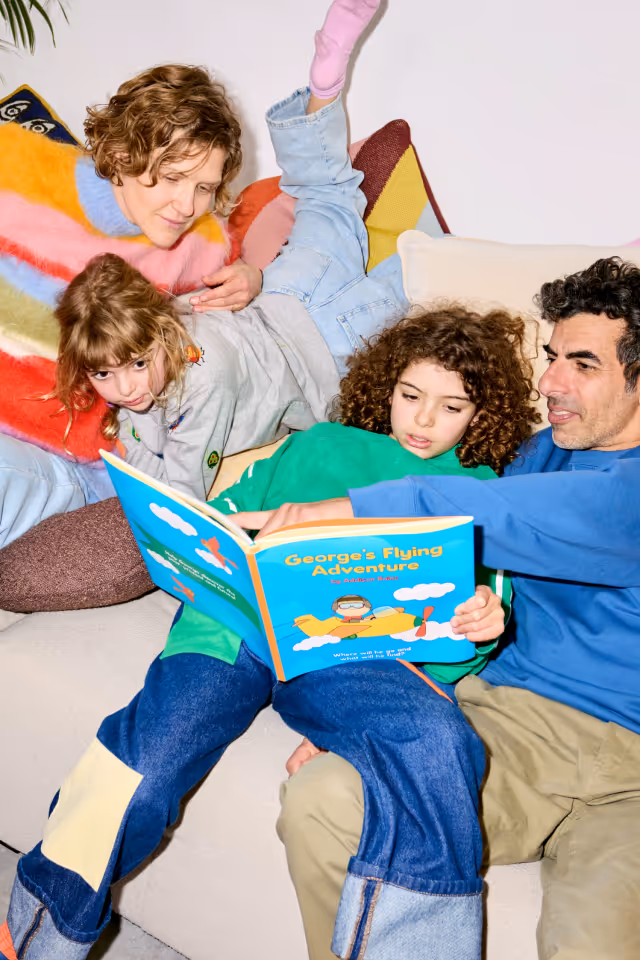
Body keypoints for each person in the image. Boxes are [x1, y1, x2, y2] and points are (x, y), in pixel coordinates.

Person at [0, 282, 544, 958]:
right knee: (144, 763)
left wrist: (482, 620)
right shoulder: (316, 445)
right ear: (387, 385)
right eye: (411, 395)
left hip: (358, 655)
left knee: (437, 743)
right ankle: (35, 936)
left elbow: (475, 626)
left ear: (481, 413)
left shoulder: (483, 491)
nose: (424, 421)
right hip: (236, 627)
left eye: (451, 406)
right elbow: (221, 516)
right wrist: (217, 538)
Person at [259, 256, 640, 960]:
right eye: (552, 356)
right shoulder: (542, 451)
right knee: (324, 800)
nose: (550, 381)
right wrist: (385, 714)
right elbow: (472, 591)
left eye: (582, 364)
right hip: (512, 726)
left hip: (633, 786)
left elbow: (475, 513)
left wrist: (337, 513)